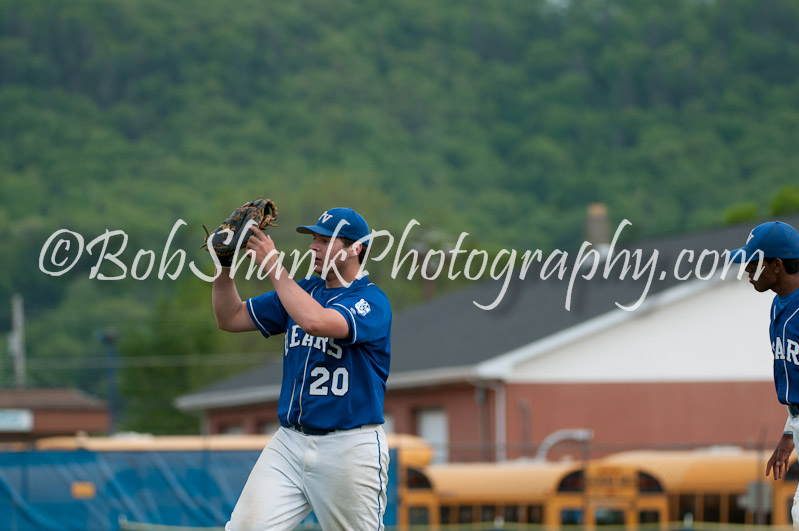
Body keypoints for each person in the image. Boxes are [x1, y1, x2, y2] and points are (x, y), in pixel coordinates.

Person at [212, 207, 392, 531]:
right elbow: (230, 318)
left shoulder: (372, 301)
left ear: (356, 249)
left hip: (348, 448)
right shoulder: (303, 291)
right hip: (289, 443)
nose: (314, 247)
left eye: (325, 241)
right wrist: (224, 267)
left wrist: (272, 266)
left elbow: (315, 321)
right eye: (314, 239)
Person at [730, 220, 799, 527]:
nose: (746, 270)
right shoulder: (778, 305)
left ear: (776, 265)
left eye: (752, 263)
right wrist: (789, 433)